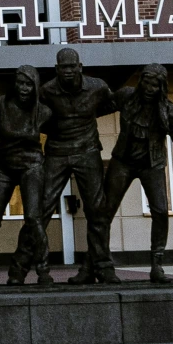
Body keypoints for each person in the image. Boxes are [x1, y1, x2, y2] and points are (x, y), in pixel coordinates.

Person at [92, 62, 173, 284]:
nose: (150, 88)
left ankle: (157, 265)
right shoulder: (127, 96)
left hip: (152, 164)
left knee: (160, 211)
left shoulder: (168, 110)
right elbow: (96, 110)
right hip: (123, 162)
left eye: (155, 85)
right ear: (141, 81)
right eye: (147, 83)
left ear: (162, 87)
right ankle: (98, 263)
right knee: (104, 212)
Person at [20, 46, 116, 284]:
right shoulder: (46, 91)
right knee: (41, 209)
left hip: (88, 152)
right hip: (57, 152)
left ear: (80, 67)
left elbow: (110, 106)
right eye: (64, 67)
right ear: (57, 69)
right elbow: (35, 119)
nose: (69, 71)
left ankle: (101, 267)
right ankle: (19, 268)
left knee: (97, 211)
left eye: (73, 66)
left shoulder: (98, 87)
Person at [0, 64, 53, 286]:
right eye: (20, 82)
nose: (24, 88)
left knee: (33, 218)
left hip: (31, 166)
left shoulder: (43, 112)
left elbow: (42, 136)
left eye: (29, 83)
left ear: (36, 86)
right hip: (4, 166)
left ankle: (43, 271)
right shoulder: (1, 104)